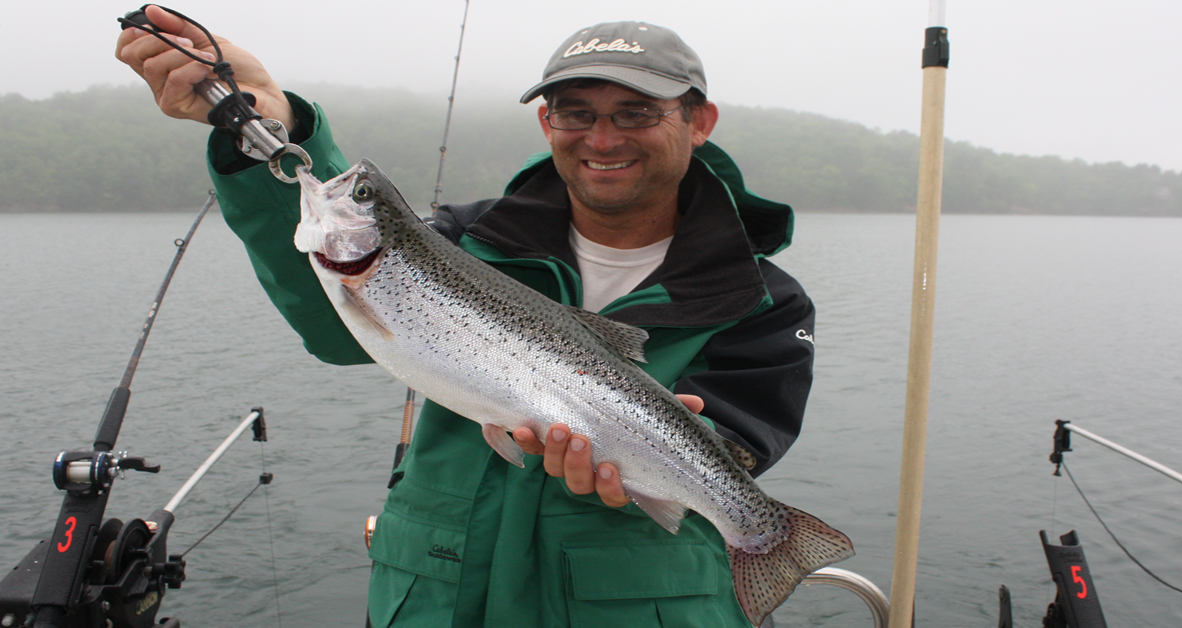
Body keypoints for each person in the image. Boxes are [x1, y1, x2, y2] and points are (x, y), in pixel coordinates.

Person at [118, 10, 817, 627]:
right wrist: (274, 124)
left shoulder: (764, 301)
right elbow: (340, 323)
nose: (602, 138)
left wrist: (655, 461)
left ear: (699, 122)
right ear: (547, 123)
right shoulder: (462, 241)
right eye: (576, 112)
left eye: (636, 112)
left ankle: (767, 537)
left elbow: (736, 444)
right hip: (436, 599)